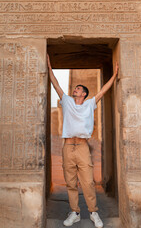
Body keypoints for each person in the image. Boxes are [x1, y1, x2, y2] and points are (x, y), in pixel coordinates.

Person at [47, 54, 119, 228]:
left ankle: (94, 212)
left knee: (87, 182)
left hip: (82, 146)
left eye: (78, 89)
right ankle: (75, 212)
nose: (75, 90)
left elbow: (103, 90)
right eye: (75, 89)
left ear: (84, 93)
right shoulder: (67, 101)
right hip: (67, 147)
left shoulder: (90, 104)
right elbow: (55, 83)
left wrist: (115, 75)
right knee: (71, 183)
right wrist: (49, 68)